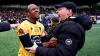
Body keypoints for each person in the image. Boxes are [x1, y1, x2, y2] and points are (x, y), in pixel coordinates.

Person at [25, 1, 92, 56]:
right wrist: (45, 37)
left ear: (69, 12)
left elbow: (63, 53)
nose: (57, 11)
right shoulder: (67, 24)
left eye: (60, 9)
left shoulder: (71, 26)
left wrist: (37, 49)